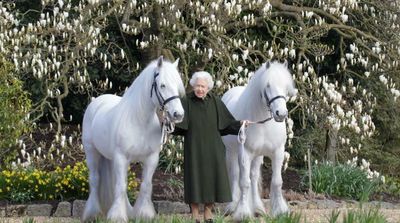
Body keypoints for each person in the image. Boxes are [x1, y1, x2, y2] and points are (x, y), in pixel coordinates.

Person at [173, 71, 248, 223]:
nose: (200, 89)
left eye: (203, 86)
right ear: (193, 86)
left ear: (208, 88)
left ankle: (208, 213)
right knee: (194, 180)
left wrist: (241, 124)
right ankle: (195, 215)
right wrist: (167, 123)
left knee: (213, 180)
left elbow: (227, 124)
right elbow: (178, 126)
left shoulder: (215, 101)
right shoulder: (185, 101)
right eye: (197, 86)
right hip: (193, 148)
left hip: (214, 149)